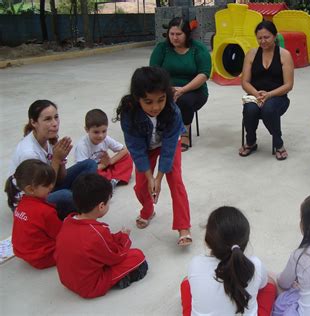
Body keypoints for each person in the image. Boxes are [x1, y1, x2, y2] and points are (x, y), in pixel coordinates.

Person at [115, 66, 192, 246]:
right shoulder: (129, 113)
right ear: (137, 98)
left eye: (161, 100)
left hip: (168, 144)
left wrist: (159, 177)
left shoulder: (173, 111)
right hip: (145, 149)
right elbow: (135, 147)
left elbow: (170, 146)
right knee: (142, 186)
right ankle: (148, 210)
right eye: (148, 101)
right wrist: (150, 177)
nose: (155, 107)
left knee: (176, 182)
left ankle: (183, 227)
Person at [55, 173, 148, 299]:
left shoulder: (68, 221)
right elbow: (116, 257)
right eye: (109, 201)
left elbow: (101, 244)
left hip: (67, 280)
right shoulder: (97, 232)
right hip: (90, 286)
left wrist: (118, 236)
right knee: (137, 256)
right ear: (101, 206)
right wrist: (124, 238)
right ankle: (122, 279)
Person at [7, 100, 97, 219]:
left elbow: (61, 178)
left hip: (47, 185)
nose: (55, 123)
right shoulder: (29, 153)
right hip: (31, 200)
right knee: (66, 196)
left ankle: (81, 200)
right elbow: (45, 188)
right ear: (33, 122)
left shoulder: (48, 138)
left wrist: (62, 160)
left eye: (56, 117)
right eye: (48, 119)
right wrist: (56, 159)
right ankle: (83, 205)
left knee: (89, 164)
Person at [180, 206, 277, 316]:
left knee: (186, 282)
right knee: (269, 283)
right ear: (245, 242)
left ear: (207, 241)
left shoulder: (196, 263)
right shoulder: (255, 266)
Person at [149, 16, 212, 152]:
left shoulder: (198, 49)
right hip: (165, 89)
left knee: (184, 100)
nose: (174, 38)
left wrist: (182, 89)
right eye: (172, 34)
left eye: (179, 34)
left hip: (194, 90)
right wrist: (167, 89)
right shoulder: (162, 48)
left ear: (187, 34)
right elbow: (153, 72)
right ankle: (157, 131)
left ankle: (185, 134)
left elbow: (204, 74)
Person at [239, 20, 294, 160]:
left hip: (278, 96)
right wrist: (256, 94)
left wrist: (269, 95)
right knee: (250, 109)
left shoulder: (284, 55)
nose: (263, 41)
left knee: (268, 110)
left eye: (266, 37)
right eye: (259, 38)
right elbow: (244, 82)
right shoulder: (251, 54)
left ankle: (278, 143)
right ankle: (250, 141)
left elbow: (288, 85)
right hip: (255, 94)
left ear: (275, 36)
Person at [5, 159, 62, 269]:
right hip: (43, 257)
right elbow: (60, 235)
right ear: (30, 189)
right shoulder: (45, 212)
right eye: (47, 184)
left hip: (24, 252)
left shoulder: (21, 203)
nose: (51, 186)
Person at [74, 108, 133, 188]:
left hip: (105, 165)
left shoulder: (106, 139)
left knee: (127, 158)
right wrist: (103, 165)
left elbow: (125, 150)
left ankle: (113, 180)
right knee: (91, 177)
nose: (101, 136)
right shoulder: (82, 145)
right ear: (87, 130)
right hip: (92, 170)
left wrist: (110, 162)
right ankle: (110, 180)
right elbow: (82, 170)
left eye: (104, 131)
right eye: (96, 132)